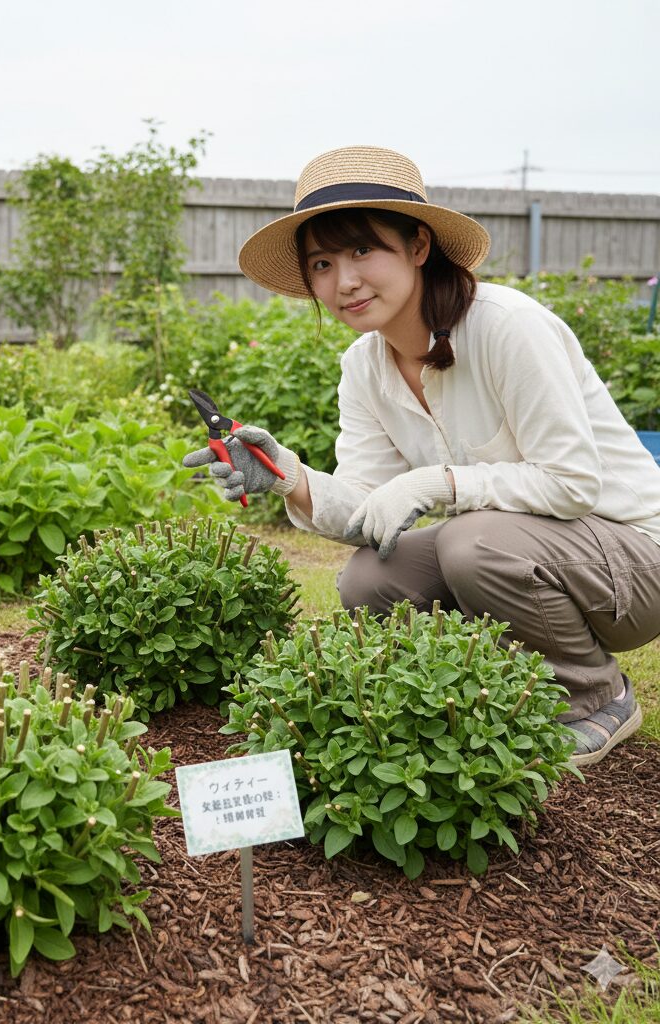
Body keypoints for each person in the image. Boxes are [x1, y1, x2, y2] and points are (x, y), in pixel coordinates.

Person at [183, 145, 660, 767]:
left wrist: (437, 483)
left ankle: (597, 696)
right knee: (370, 577)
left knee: (472, 542)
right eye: (322, 263)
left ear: (418, 246)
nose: (344, 281)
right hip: (532, 553)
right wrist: (288, 478)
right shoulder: (364, 367)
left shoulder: (507, 327)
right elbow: (368, 509)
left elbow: (570, 483)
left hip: (632, 561)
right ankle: (490, 690)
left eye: (362, 250)